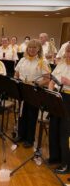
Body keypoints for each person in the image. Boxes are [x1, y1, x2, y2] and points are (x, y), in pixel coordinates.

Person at [14, 39, 51, 148]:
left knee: (31, 115)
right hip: (22, 89)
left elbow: (47, 79)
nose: (31, 49)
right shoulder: (22, 60)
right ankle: (20, 135)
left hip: (34, 91)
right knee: (21, 113)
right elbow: (16, 74)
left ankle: (29, 139)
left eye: (34, 48)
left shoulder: (42, 61)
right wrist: (17, 81)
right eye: (30, 47)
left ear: (39, 49)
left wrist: (37, 83)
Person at [48, 43, 70, 174]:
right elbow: (52, 79)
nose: (69, 54)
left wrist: (69, 82)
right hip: (57, 96)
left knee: (65, 132)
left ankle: (66, 163)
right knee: (54, 127)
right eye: (68, 52)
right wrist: (50, 92)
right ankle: (55, 157)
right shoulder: (61, 63)